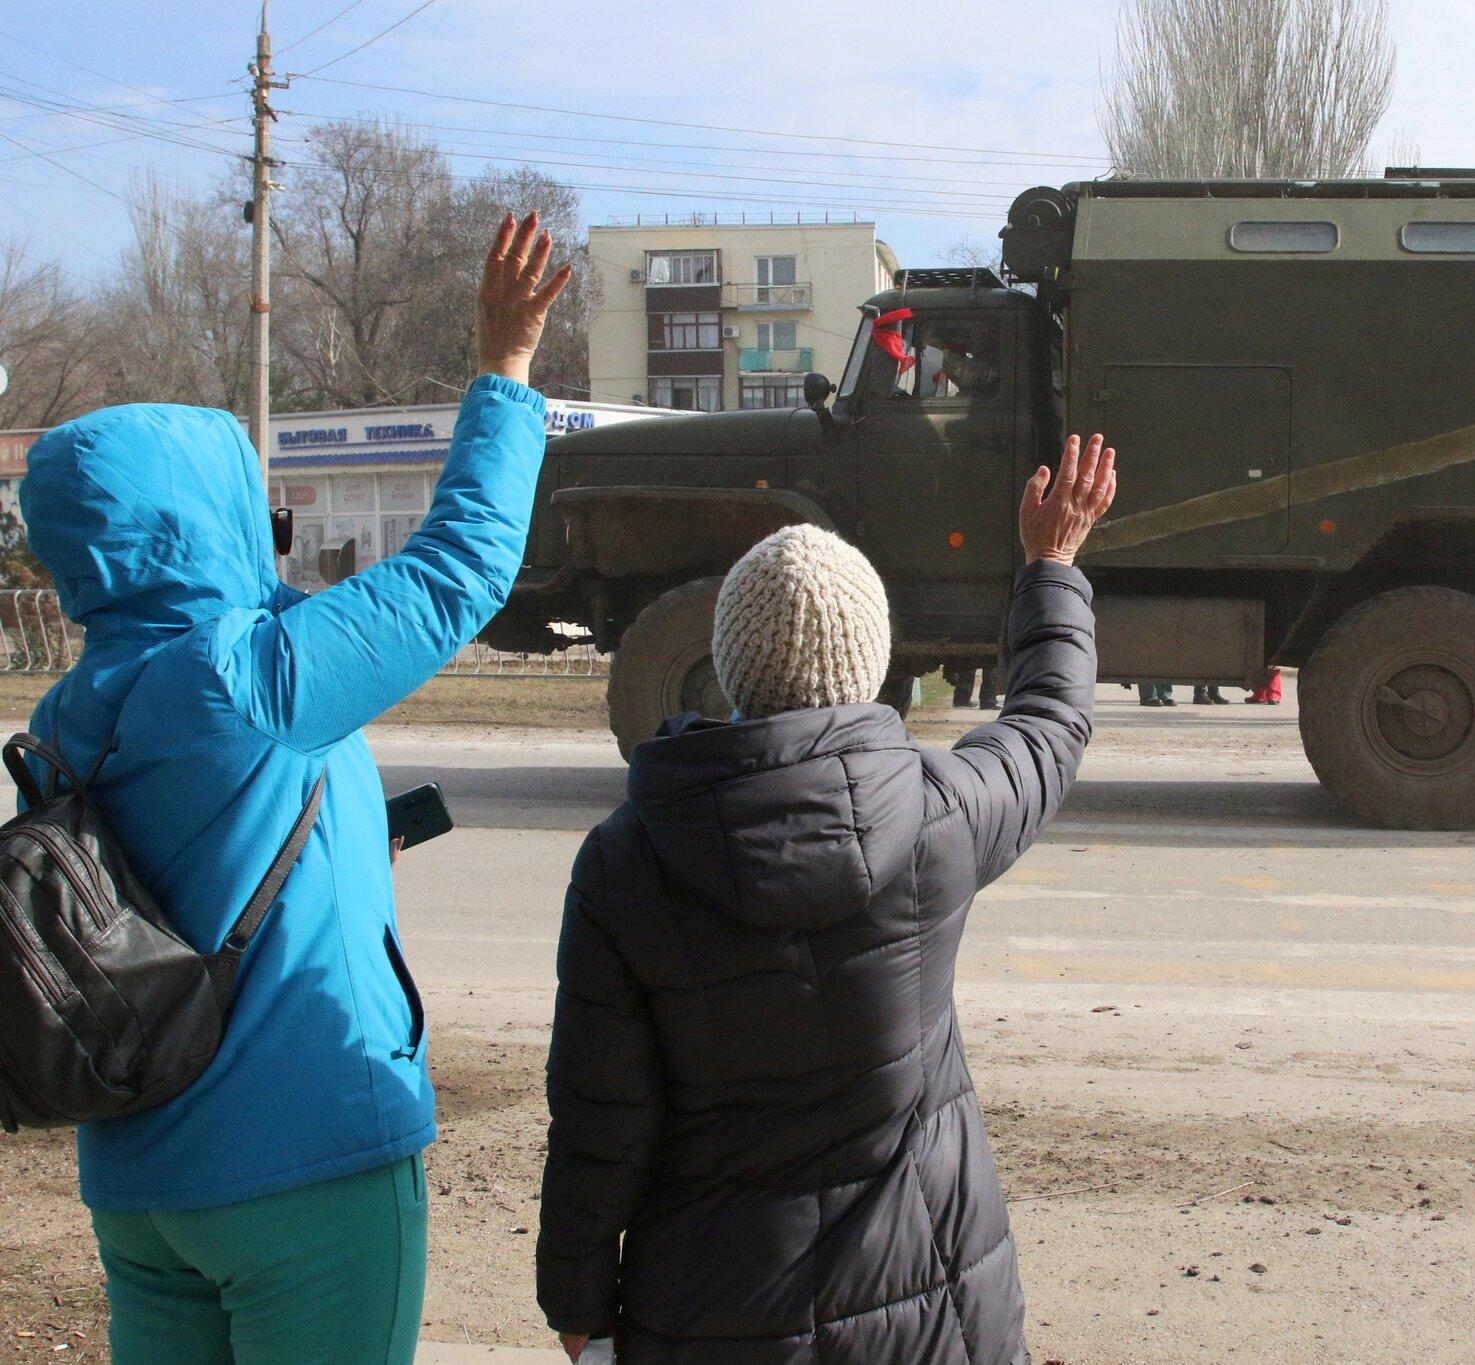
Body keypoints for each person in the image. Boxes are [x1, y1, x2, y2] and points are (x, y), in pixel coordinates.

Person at [20, 213, 570, 1365]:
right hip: (301, 1164)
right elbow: (457, 570)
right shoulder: (241, 680)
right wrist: (506, 368)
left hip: (137, 1180)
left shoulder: (69, 712)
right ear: (202, 517)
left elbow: (152, 888)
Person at [537, 435, 1118, 1364]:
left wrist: (576, 1301)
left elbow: (599, 1117)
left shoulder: (624, 863)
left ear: (731, 661)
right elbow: (1048, 724)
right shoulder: (939, 815)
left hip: (711, 1314)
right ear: (871, 659)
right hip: (929, 1313)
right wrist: (1051, 565)